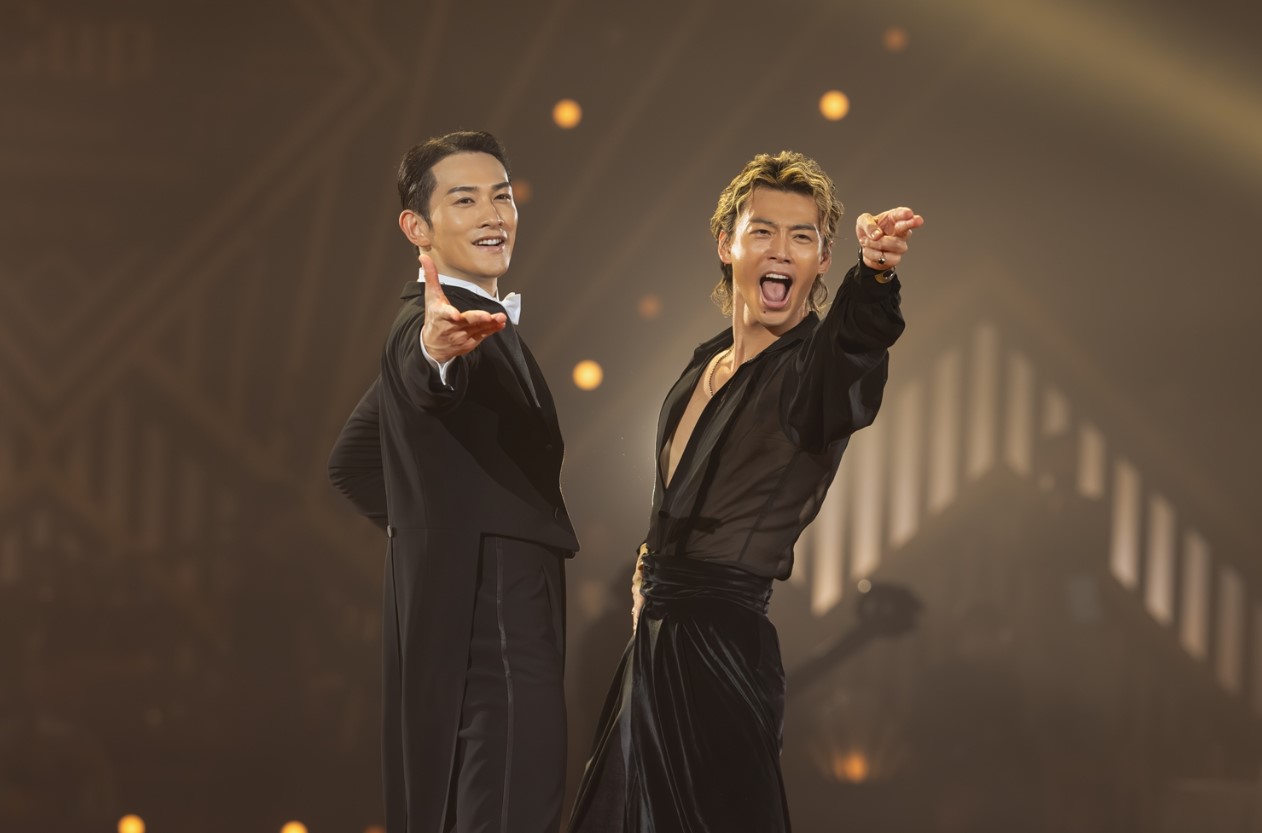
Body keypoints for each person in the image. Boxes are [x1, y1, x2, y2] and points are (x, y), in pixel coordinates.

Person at [567, 150, 923, 832]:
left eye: (802, 236)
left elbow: (854, 346)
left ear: (823, 260)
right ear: (726, 244)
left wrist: (875, 277)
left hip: (721, 654)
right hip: (651, 648)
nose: (780, 250)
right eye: (763, 230)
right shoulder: (703, 364)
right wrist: (647, 577)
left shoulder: (810, 375)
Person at [328, 130, 579, 833]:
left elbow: (352, 461)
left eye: (502, 196)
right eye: (465, 200)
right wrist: (436, 355)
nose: (493, 214)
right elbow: (425, 369)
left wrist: (437, 532)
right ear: (418, 228)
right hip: (501, 622)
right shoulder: (429, 324)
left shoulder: (483, 322)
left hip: (470, 613)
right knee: (512, 800)